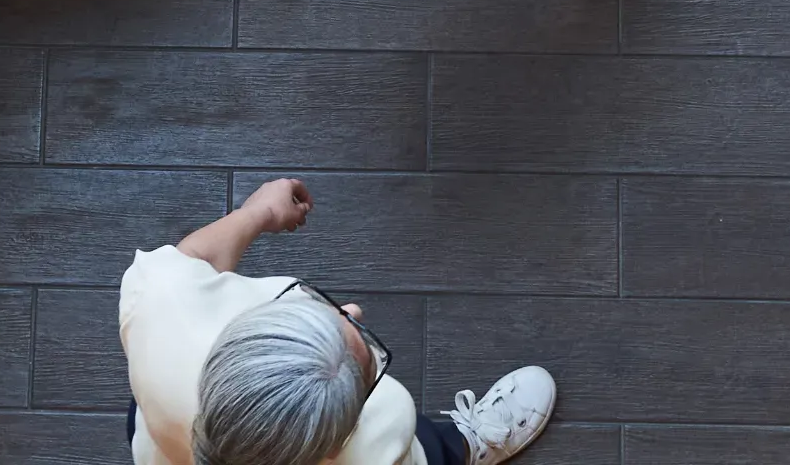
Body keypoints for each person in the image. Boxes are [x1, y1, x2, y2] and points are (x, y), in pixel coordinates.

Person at [122, 178, 556, 465]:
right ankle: (465, 446)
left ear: (228, 343)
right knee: (430, 452)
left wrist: (258, 213)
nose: (352, 312)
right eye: (368, 369)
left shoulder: (160, 304)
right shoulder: (383, 436)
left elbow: (192, 262)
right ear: (332, 448)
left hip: (161, 441)